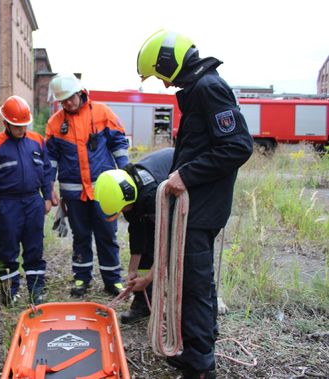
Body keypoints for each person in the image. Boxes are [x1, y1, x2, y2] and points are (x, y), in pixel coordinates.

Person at [136, 30, 254, 379]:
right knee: (193, 283)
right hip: (198, 209)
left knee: (193, 286)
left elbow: (238, 146)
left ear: (169, 62)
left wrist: (185, 176)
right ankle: (196, 348)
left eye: (160, 74)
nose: (162, 82)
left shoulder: (208, 89)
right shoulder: (200, 90)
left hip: (199, 211)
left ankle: (200, 364)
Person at [46, 73, 130, 297]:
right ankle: (82, 278)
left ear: (80, 92)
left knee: (107, 234)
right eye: (62, 101)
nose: (67, 104)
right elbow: (50, 161)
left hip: (104, 191)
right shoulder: (55, 123)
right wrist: (48, 191)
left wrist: (126, 175)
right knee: (80, 235)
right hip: (74, 194)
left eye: (70, 99)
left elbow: (119, 145)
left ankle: (113, 280)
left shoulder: (102, 113)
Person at [0, 95, 52, 306]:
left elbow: (46, 171)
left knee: (34, 248)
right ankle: (9, 292)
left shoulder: (37, 141)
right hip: (7, 204)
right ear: (6, 123)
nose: (22, 130)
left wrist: (47, 196)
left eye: (24, 125)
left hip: (33, 202)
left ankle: (36, 290)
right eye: (17, 126)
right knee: (7, 250)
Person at [94, 147, 174, 324]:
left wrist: (147, 278)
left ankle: (183, 310)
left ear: (128, 199)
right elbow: (137, 232)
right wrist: (132, 270)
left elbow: (169, 241)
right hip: (154, 201)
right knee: (145, 248)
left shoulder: (153, 197)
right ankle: (143, 304)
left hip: (187, 192)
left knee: (183, 256)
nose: (123, 212)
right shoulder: (127, 191)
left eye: (122, 209)